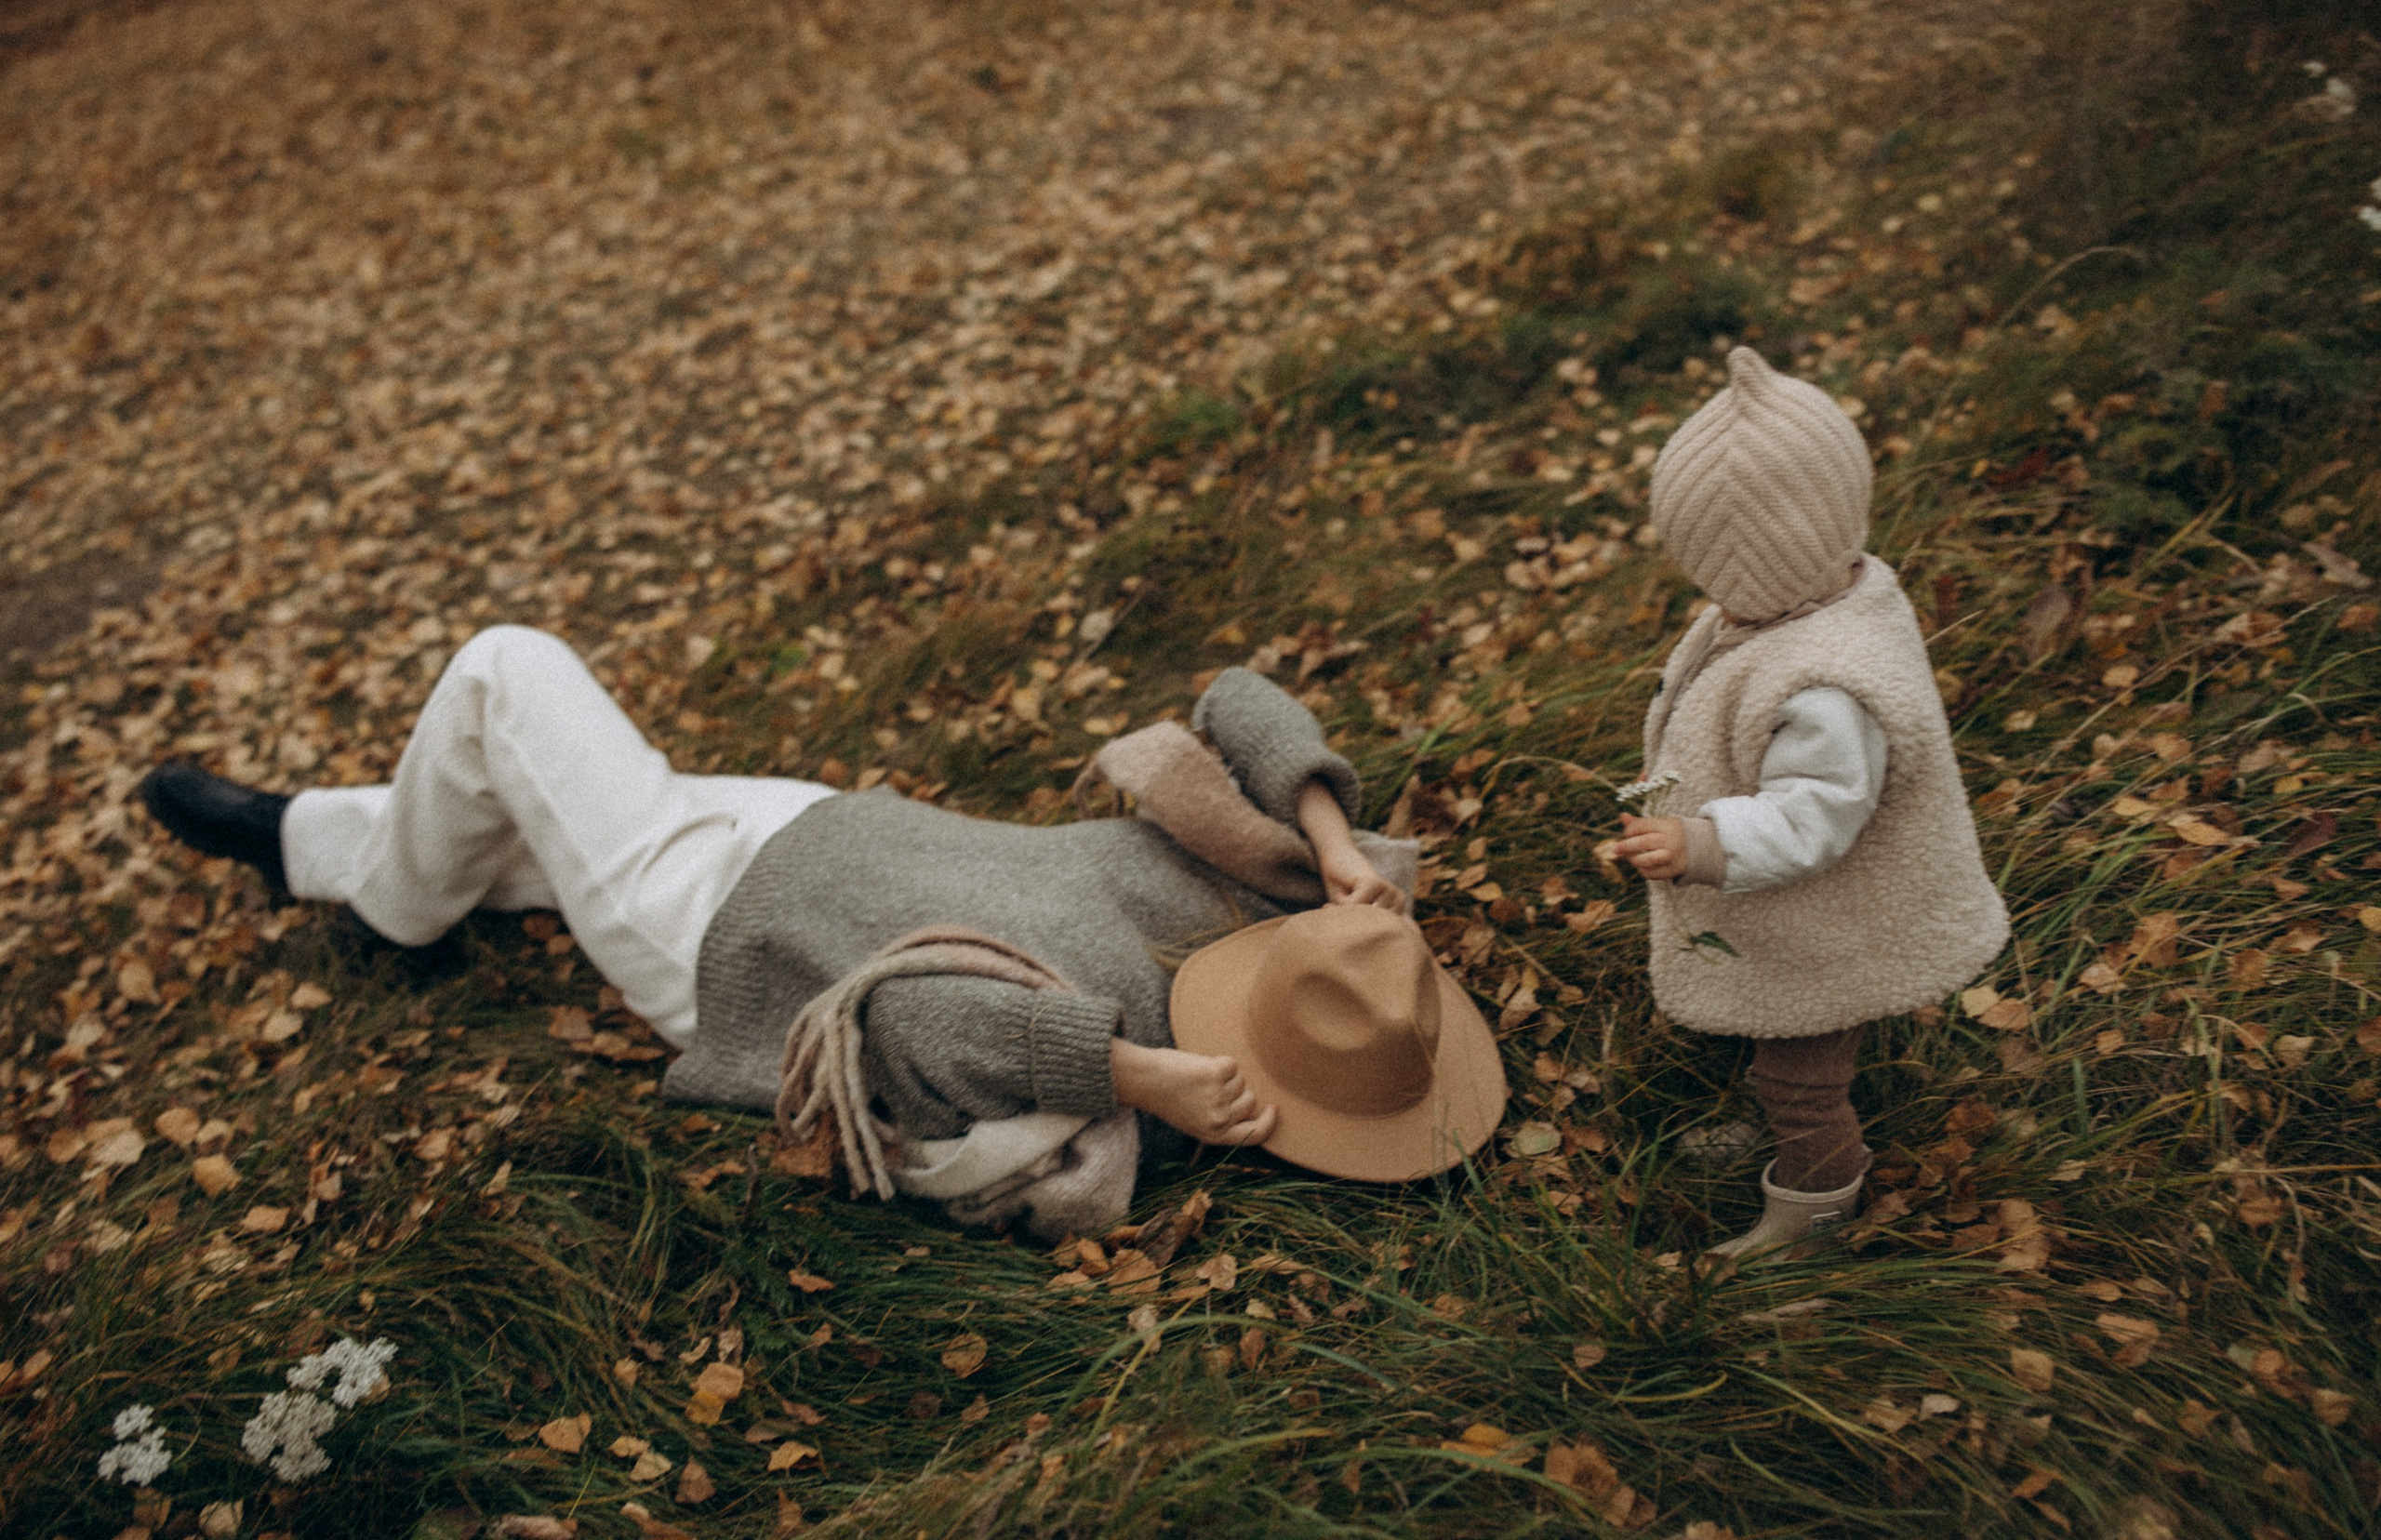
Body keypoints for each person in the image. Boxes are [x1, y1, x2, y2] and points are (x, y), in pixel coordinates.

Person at [139, 628, 1507, 1238]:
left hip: (733, 932)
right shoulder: (1301, 914)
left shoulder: (1141, 1043)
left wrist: (1138, 1078)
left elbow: (899, 1014)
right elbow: (1235, 694)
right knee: (524, 798)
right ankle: (322, 844)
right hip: (820, 824)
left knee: (509, 673)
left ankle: (377, 907)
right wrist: (1331, 839)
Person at [1610, 346, 2009, 1262]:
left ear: (1758, 564)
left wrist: (1704, 843)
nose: (1708, 594)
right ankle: (1791, 1146)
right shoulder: (1817, 598)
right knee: (1782, 1055)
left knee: (1800, 1076)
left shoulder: (1822, 688)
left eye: (1713, 571)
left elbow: (1817, 812)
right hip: (1795, 906)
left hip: (1819, 919)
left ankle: (1816, 1201)